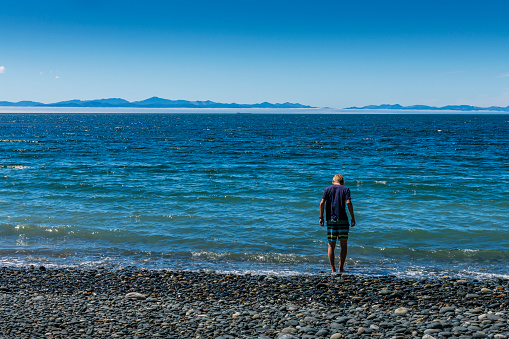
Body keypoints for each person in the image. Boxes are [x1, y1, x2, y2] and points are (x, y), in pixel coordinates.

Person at [319, 174, 355, 273]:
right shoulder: (345, 189)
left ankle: (332, 269)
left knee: (331, 245)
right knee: (343, 245)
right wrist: (352, 217)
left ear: (333, 181)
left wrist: (321, 217)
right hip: (343, 219)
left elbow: (322, 202)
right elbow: (348, 202)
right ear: (342, 181)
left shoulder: (327, 189)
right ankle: (341, 268)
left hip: (331, 220)